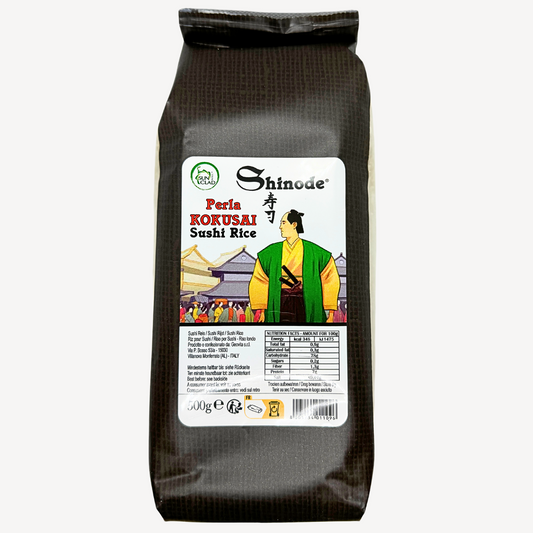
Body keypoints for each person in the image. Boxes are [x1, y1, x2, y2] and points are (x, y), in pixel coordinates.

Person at [249, 210, 340, 323]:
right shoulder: (270, 253)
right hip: (280, 299)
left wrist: (330, 313)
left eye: (283, 223)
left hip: (304, 299)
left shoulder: (316, 252)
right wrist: (262, 311)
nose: (280, 227)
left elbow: (330, 280)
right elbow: (260, 280)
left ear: (294, 224)